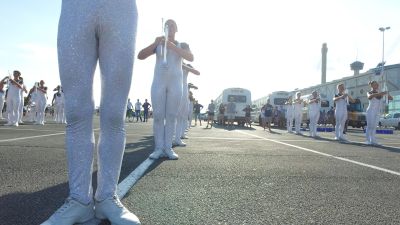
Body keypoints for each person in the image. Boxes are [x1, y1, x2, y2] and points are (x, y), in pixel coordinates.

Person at [41, 1, 140, 224]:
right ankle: (79, 200)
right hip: (75, 8)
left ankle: (106, 197)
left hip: (120, 9)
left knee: (114, 114)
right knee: (76, 113)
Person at [138, 19, 193, 160]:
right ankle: (158, 148)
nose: (170, 27)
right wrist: (156, 43)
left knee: (171, 116)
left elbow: (190, 57)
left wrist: (172, 46)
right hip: (159, 82)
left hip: (176, 83)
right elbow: (141, 55)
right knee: (158, 115)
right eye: (167, 25)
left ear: (177, 28)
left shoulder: (182, 44)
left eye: (173, 25)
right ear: (164, 28)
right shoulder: (158, 42)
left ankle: (168, 148)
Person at [174, 63, 200, 143]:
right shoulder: (175, 61)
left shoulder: (185, 64)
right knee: (174, 116)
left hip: (184, 91)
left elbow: (196, 72)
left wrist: (187, 66)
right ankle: (173, 137)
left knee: (182, 116)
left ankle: (178, 137)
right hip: (176, 88)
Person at [365, 81, 389, 145]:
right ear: (372, 86)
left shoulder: (380, 93)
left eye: (377, 85)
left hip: (377, 111)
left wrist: (386, 93)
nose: (377, 86)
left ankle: (373, 139)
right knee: (370, 125)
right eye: (375, 85)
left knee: (374, 126)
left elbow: (391, 98)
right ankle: (368, 140)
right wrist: (381, 93)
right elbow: (369, 97)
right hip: (370, 111)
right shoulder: (369, 92)